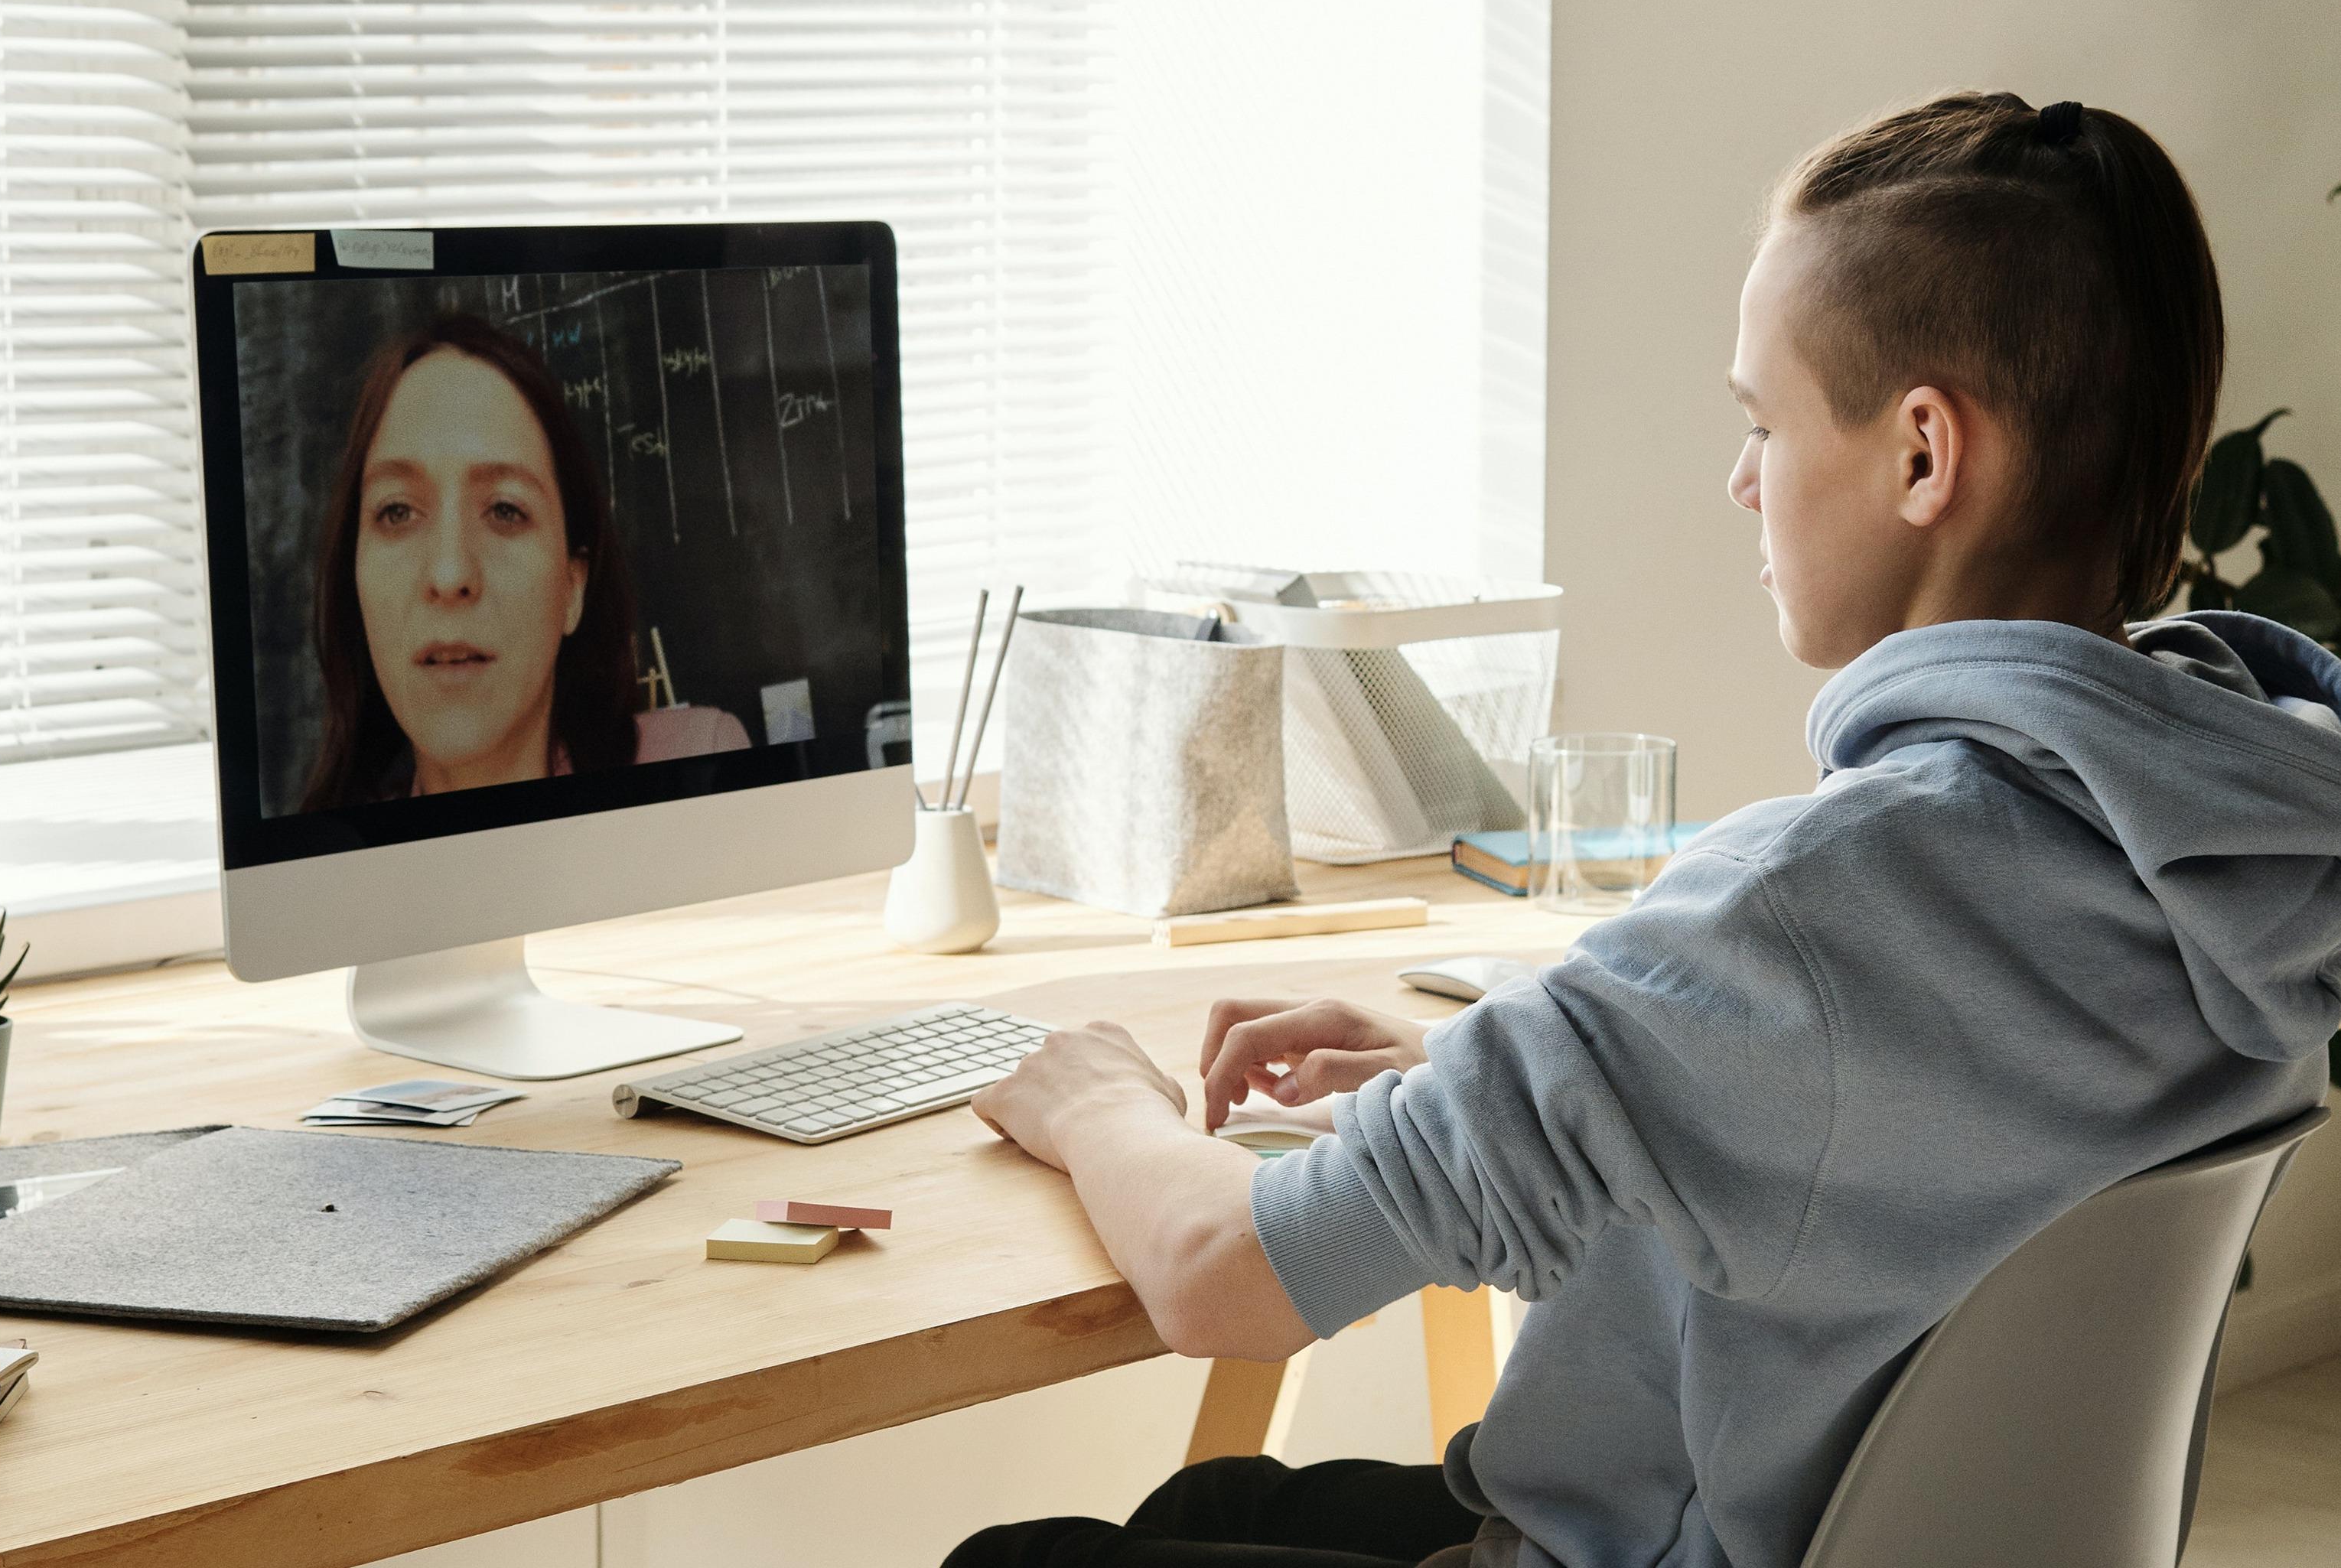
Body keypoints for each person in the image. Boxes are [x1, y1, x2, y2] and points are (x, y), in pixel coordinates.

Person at [952, 92, 2341, 1568]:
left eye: (1762, 420)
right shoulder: (2229, 845)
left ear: (1922, 456)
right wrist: (1512, 1069)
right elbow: (1912, 1122)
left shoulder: (1813, 901)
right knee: (1221, 1513)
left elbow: (1219, 1275)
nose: (1741, 479)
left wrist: (1096, 1096)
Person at [301, 313, 748, 810]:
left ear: (572, 588)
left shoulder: (696, 768)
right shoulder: (321, 873)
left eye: (505, 510)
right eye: (397, 511)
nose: (450, 575)